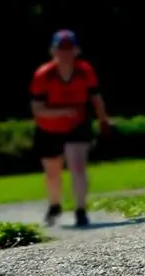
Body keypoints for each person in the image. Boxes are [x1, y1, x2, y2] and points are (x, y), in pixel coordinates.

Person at [31, 29, 113, 227]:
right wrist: (63, 112)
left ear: (76, 51)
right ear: (53, 51)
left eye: (69, 49)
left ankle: (80, 209)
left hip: (77, 124)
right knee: (53, 172)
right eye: (61, 49)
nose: (65, 54)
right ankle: (55, 204)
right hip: (49, 127)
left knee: (77, 166)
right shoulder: (44, 75)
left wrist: (103, 119)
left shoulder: (84, 71)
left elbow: (95, 96)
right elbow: (38, 109)